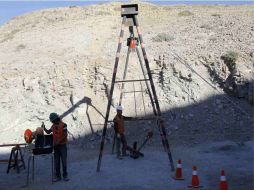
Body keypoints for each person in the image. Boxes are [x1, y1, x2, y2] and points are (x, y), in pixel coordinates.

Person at [43, 113, 69, 182]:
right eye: (52, 121)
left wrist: (58, 141)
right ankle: (58, 176)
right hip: (56, 146)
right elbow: (48, 132)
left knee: (64, 161)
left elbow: (64, 134)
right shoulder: (53, 126)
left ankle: (65, 175)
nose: (53, 122)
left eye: (53, 121)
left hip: (62, 145)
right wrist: (44, 128)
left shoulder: (64, 125)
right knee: (56, 162)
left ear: (56, 119)